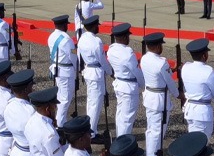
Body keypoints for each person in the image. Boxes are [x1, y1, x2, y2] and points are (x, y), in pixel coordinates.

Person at [140, 32, 181, 156]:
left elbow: (160, 75)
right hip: (159, 100)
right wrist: (178, 95)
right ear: (158, 46)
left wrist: (172, 70)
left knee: (151, 131)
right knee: (157, 133)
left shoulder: (145, 58)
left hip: (150, 97)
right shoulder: (162, 63)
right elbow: (170, 82)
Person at [77, 15, 113, 144]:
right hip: (96, 73)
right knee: (95, 105)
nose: (98, 27)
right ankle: (92, 133)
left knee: (91, 102)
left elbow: (79, 56)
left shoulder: (82, 38)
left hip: (88, 71)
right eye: (97, 25)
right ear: (93, 26)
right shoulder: (96, 41)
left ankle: (91, 129)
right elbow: (102, 60)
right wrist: (110, 71)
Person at [107, 22, 144, 137]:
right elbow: (137, 72)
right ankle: (123, 143)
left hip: (119, 84)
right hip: (129, 87)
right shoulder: (128, 53)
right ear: (124, 37)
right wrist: (144, 85)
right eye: (128, 36)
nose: (129, 38)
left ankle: (120, 138)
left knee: (120, 116)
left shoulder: (111, 50)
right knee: (127, 119)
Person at [181, 38, 214, 139]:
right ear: (204, 55)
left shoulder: (185, 67)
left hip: (189, 110)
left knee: (193, 140)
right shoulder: (209, 71)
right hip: (202, 113)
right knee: (201, 142)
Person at [47, 15, 77, 127]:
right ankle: (60, 124)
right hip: (66, 71)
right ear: (64, 25)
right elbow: (73, 57)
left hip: (56, 69)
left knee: (60, 97)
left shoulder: (51, 36)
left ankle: (59, 119)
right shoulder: (66, 39)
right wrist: (77, 68)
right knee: (65, 99)